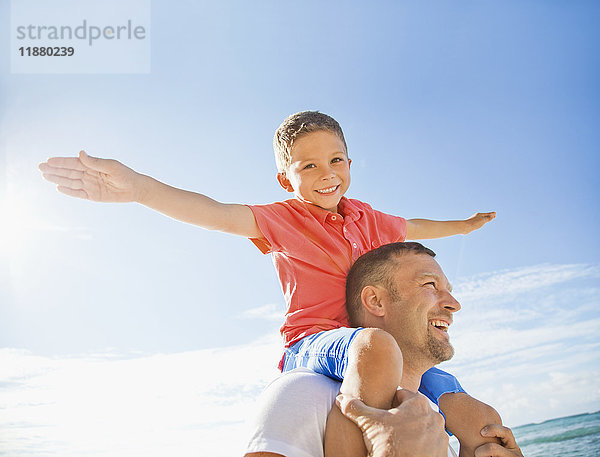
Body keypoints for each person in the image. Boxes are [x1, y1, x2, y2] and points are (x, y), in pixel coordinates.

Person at [39, 111, 497, 456]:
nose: (327, 174)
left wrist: (462, 226)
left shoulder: (368, 218)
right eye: (309, 166)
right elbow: (216, 213)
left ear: (350, 164)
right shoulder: (282, 220)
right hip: (316, 343)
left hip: (386, 347)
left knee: (465, 405)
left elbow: (414, 224)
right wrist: (139, 188)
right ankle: (366, 438)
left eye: (336, 160)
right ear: (286, 178)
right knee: (374, 345)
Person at [245, 242, 524, 457]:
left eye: (448, 289)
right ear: (376, 301)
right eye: (430, 285)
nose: (453, 303)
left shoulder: (434, 422)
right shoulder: (305, 393)